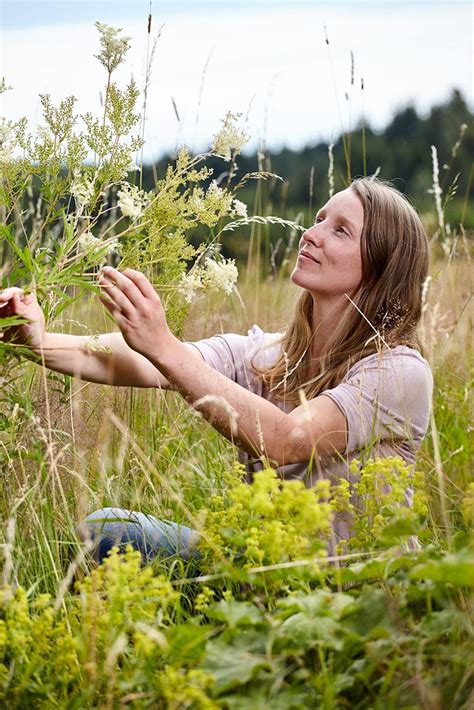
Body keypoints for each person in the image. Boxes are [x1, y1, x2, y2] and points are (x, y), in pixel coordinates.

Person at [0, 177, 433, 562]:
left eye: (340, 230)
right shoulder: (270, 356)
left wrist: (163, 345)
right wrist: (40, 340)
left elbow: (289, 438)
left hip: (355, 602)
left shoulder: (398, 372)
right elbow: (147, 363)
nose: (311, 234)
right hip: (261, 573)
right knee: (107, 531)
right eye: (319, 218)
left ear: (382, 266)